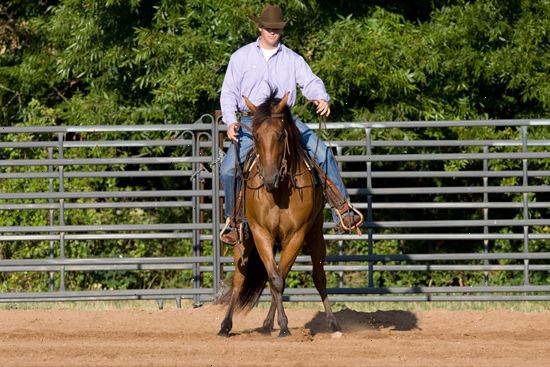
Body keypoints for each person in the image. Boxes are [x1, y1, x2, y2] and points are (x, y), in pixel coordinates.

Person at [219, 5, 362, 244]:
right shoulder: (240, 57)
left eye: (277, 28)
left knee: (323, 153)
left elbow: (311, 82)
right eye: (269, 28)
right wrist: (231, 121)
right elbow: (229, 92)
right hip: (251, 121)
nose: (273, 32)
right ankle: (234, 220)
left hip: (285, 120)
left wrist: (320, 97)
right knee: (228, 169)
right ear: (260, 28)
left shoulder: (292, 58)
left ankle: (344, 209)